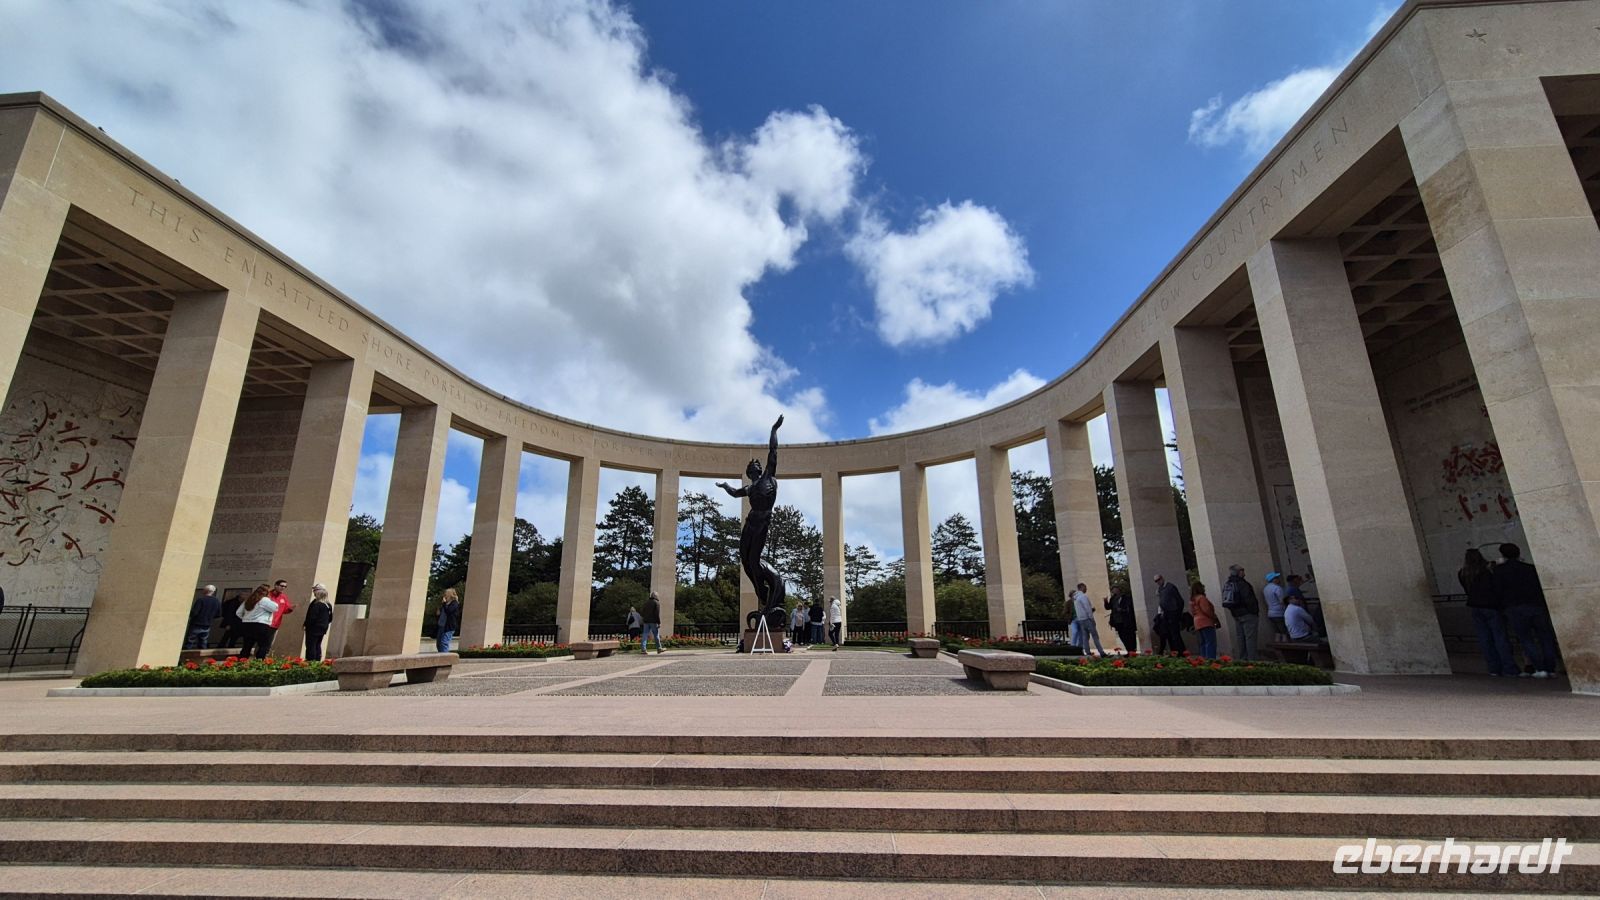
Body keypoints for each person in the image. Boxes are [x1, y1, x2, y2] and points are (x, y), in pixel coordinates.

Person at [1492, 543, 1559, 679]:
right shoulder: (1530, 568)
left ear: (1503, 555)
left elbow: (1497, 590)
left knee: (1526, 639)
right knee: (1545, 637)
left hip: (1514, 607)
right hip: (1535, 605)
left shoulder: (1500, 571)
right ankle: (1550, 667)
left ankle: (1539, 668)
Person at [1458, 548, 1517, 677]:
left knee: (1485, 639)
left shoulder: (1463, 573)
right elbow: (1496, 587)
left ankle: (1493, 668)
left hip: (1475, 606)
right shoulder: (1488, 570)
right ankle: (1509, 667)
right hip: (1491, 606)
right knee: (1500, 637)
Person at [1220, 565, 1260, 660]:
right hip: (1248, 613)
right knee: (1250, 638)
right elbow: (1248, 599)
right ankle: (1252, 659)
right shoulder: (1242, 583)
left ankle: (1243, 658)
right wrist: (1254, 611)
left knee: (1240, 638)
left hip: (1236, 614)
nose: (1244, 572)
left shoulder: (1228, 583)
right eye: (1242, 570)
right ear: (1239, 572)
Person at [236, 584, 278, 660]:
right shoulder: (264, 600)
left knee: (247, 646)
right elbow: (275, 608)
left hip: (247, 624)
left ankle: (242, 661)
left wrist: (246, 618)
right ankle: (259, 661)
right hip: (260, 624)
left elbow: (238, 612)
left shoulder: (249, 600)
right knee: (263, 645)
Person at [1153, 574, 1186, 654]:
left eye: (1159, 579)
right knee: (1168, 634)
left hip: (1172, 613)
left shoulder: (1170, 587)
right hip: (1165, 614)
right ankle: (1174, 651)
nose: (1158, 582)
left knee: (1175, 634)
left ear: (1162, 578)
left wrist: (1177, 613)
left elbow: (1180, 601)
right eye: (1156, 581)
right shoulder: (1160, 589)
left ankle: (1181, 651)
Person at [1072, 583, 1105, 656]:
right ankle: (1101, 652)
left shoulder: (1075, 598)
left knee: (1085, 637)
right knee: (1095, 636)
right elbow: (1087, 608)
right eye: (1085, 587)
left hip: (1081, 619)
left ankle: (1087, 652)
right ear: (1082, 587)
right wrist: (1091, 618)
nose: (1086, 589)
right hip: (1087, 618)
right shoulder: (1083, 597)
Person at [303, 583, 333, 662]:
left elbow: (312, 617)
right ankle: (317, 661)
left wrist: (306, 624)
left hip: (313, 628)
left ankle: (311, 661)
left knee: (311, 645)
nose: (313, 592)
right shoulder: (328, 605)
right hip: (322, 628)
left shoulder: (317, 604)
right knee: (317, 644)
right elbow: (330, 618)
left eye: (315, 590)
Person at [184, 585, 220, 651]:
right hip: (208, 624)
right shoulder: (216, 601)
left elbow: (195, 612)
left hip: (196, 623)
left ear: (205, 591)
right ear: (213, 592)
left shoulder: (201, 600)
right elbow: (218, 614)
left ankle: (185, 656)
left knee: (190, 641)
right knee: (203, 641)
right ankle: (202, 657)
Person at [1104, 584, 1137, 653]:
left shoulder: (1125, 597)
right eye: (1113, 590)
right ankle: (1129, 650)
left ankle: (1132, 650)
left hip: (1125, 620)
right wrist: (1105, 601)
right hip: (1117, 621)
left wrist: (1122, 610)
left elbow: (1129, 608)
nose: (1114, 591)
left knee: (1129, 635)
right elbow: (1108, 607)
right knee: (1122, 636)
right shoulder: (1113, 598)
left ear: (1119, 589)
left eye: (1115, 589)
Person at [1190, 581, 1219, 659]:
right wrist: (1214, 617)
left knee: (1203, 643)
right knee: (1210, 642)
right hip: (1205, 622)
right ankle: (1210, 659)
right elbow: (1206, 610)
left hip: (1197, 623)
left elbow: (1193, 612)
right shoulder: (1201, 598)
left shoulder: (1193, 600)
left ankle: (1202, 660)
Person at [266, 579, 295, 652]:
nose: (283, 588)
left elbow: (285, 610)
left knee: (268, 644)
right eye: (282, 586)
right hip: (265, 623)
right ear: (276, 585)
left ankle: (263, 660)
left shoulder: (283, 597)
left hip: (275, 624)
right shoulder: (268, 595)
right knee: (261, 643)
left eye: (285, 587)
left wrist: (290, 609)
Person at [435, 588, 461, 653]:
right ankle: (441, 658)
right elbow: (442, 613)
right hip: (441, 625)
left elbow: (449, 611)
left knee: (444, 643)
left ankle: (445, 660)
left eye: (446, 594)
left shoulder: (454, 603)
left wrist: (444, 604)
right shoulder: (445, 603)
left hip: (449, 627)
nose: (445, 595)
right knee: (439, 644)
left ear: (450, 595)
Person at [1263, 572, 1287, 639]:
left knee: (1277, 632)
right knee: (1284, 632)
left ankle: (1278, 646)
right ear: (1273, 579)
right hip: (1279, 613)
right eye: (1276, 578)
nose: (1278, 579)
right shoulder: (1277, 588)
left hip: (1270, 613)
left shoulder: (1265, 589)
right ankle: (1286, 647)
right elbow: (1282, 601)